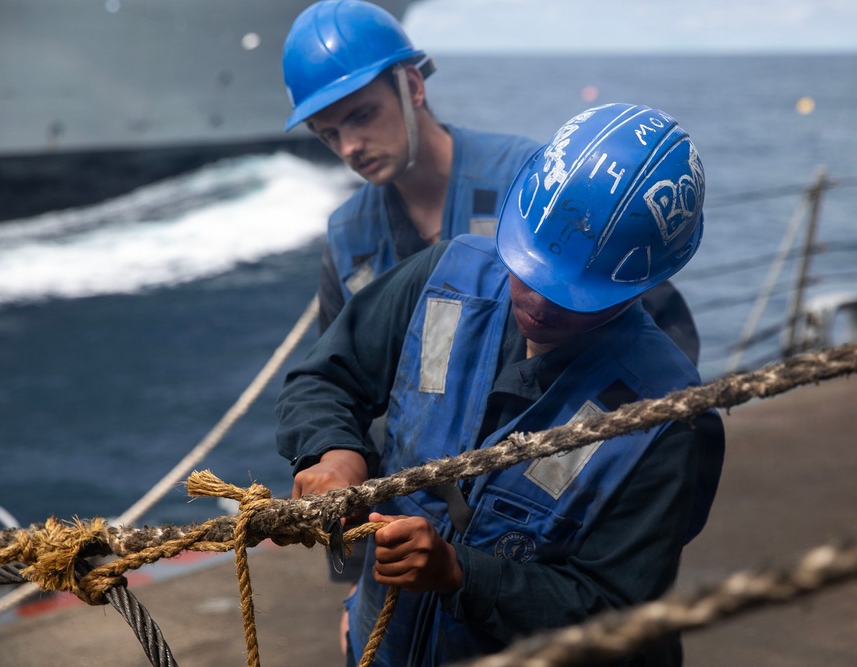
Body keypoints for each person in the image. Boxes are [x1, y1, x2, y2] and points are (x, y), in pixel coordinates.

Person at [276, 103, 725, 666]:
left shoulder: (668, 421)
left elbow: (618, 611)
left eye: (569, 294)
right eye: (528, 267)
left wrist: (460, 574)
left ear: (644, 281)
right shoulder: (446, 277)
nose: (536, 301)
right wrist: (335, 452)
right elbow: (324, 377)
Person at [281, 0, 701, 365]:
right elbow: (337, 369)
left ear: (411, 87)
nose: (350, 147)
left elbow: (656, 323)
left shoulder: (534, 181)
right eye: (329, 134)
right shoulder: (345, 235)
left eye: (361, 116)